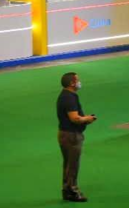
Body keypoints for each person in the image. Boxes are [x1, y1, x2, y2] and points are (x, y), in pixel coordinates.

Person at [57, 71, 96, 203]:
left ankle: (67, 190)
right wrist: (87, 119)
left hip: (65, 134)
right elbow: (75, 118)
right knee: (73, 165)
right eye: (77, 80)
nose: (79, 82)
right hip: (71, 136)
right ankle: (72, 191)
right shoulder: (69, 98)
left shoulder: (65, 95)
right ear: (72, 83)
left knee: (68, 164)